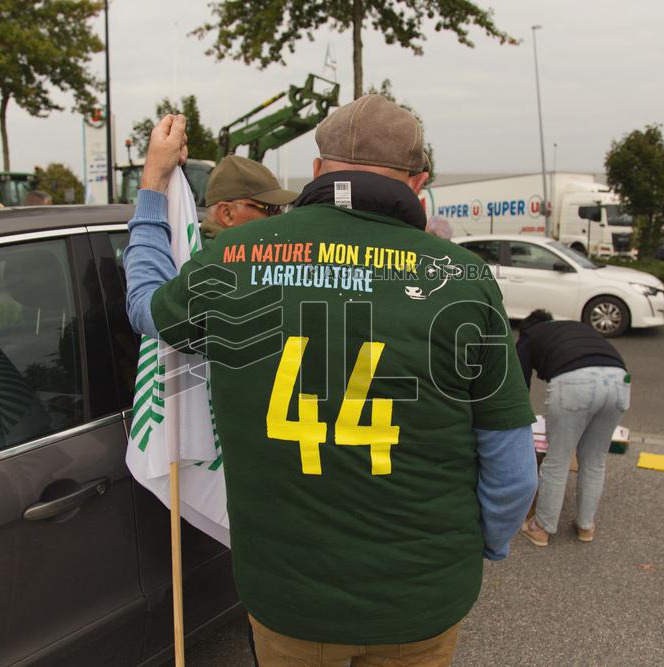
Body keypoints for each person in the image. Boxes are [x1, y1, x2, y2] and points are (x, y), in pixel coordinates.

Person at [123, 96, 538, 666]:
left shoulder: (233, 257)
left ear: (318, 169)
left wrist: (153, 184)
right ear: (418, 181)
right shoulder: (464, 279)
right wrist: (478, 547)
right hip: (421, 598)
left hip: (289, 600)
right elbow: (513, 471)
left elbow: (145, 307)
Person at [516, 309, 630, 547]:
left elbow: (519, 384)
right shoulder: (573, 328)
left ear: (526, 329)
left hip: (574, 383)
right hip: (620, 381)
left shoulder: (529, 336)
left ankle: (541, 528)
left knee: (557, 459)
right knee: (595, 459)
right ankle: (585, 526)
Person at [200, 155, 298, 247]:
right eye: (269, 209)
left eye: (279, 208)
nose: (279, 216)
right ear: (227, 214)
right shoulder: (238, 256)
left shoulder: (205, 250)